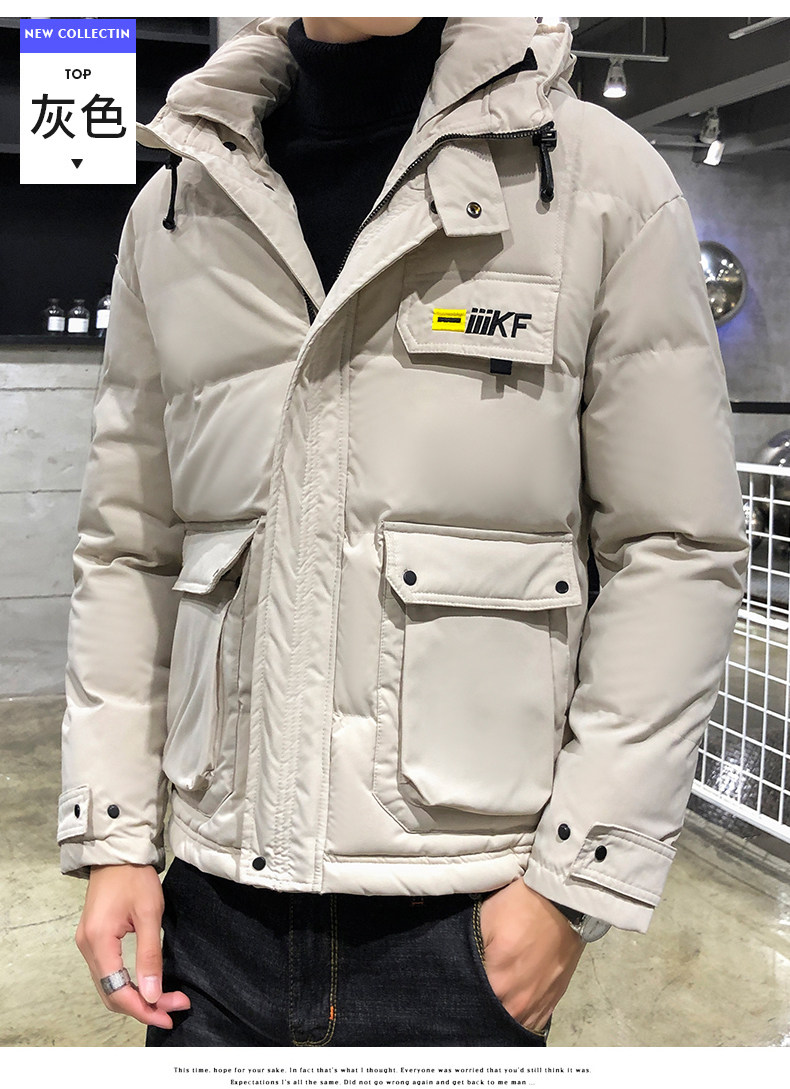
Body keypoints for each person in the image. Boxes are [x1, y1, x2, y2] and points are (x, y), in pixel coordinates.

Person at [59, 16, 748, 1047]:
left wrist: (573, 880)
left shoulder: (597, 181)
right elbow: (129, 548)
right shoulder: (177, 206)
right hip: (209, 916)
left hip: (465, 919)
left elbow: (676, 548)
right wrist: (114, 833)